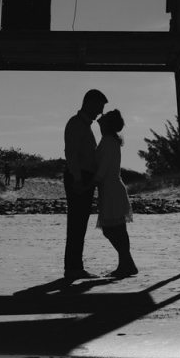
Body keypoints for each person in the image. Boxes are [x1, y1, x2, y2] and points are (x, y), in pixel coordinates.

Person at [62, 89, 107, 279]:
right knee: (76, 223)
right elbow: (71, 153)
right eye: (99, 107)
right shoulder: (76, 124)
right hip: (78, 177)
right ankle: (73, 267)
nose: (101, 112)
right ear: (90, 103)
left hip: (83, 176)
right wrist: (78, 179)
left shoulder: (85, 125)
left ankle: (75, 266)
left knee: (79, 223)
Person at [93, 109, 137, 277]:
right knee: (117, 229)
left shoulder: (108, 141)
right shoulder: (109, 140)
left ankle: (126, 262)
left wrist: (93, 181)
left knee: (112, 229)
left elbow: (104, 166)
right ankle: (126, 263)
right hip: (111, 188)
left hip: (111, 188)